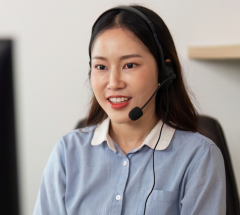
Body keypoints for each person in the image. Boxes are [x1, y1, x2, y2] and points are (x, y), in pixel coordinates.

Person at [33, 5, 226, 215]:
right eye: (101, 67)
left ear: (164, 72)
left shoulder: (198, 156)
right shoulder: (67, 152)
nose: (113, 83)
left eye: (130, 65)